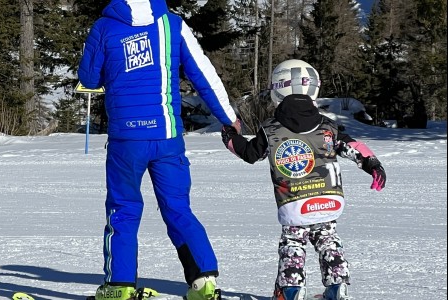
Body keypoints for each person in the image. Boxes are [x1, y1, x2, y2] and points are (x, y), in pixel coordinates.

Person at [77, 0, 242, 299]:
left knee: (123, 210)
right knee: (178, 208)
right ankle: (203, 284)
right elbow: (203, 74)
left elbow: (89, 78)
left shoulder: (104, 26)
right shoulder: (173, 24)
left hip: (126, 141)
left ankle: (119, 287)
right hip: (167, 137)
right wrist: (228, 118)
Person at [221, 59, 386, 300]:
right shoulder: (328, 126)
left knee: (293, 245)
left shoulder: (271, 129)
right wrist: (373, 165)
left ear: (277, 91)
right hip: (328, 199)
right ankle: (337, 286)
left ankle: (291, 289)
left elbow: (249, 153)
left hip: (294, 202)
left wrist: (229, 135)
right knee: (329, 241)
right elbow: (352, 147)